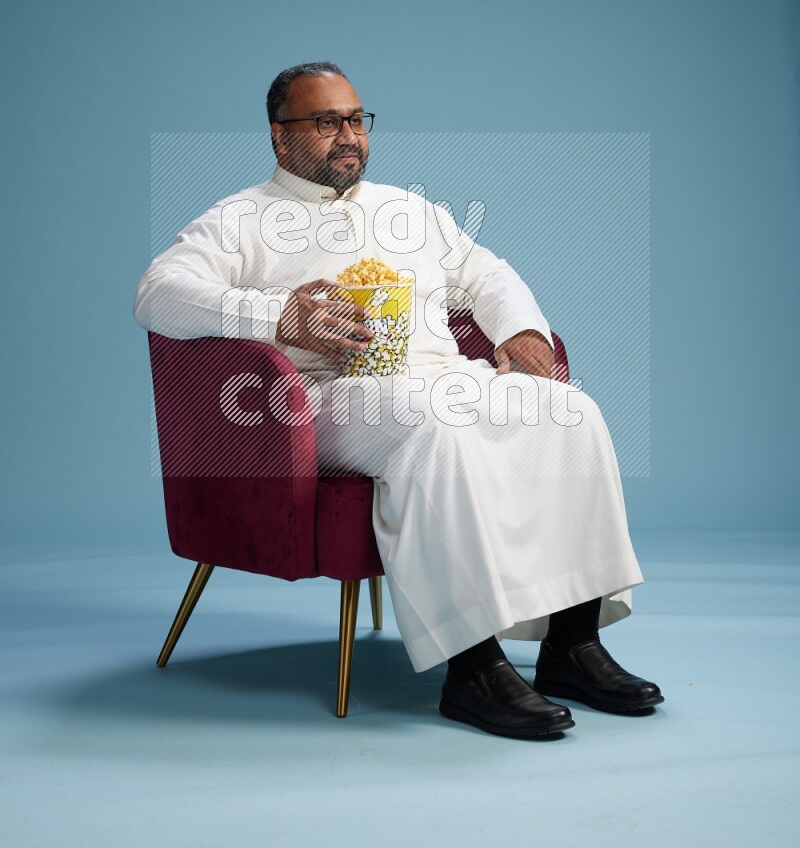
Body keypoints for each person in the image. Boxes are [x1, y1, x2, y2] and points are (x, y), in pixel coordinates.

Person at [133, 61, 663, 739]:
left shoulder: (409, 210)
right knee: (437, 429)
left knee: (571, 412)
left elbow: (486, 274)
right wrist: (276, 318)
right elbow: (158, 294)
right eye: (326, 122)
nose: (348, 135)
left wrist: (522, 330)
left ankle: (573, 646)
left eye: (356, 119)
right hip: (323, 399)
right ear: (278, 136)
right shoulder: (240, 219)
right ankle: (472, 669)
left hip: (441, 377)